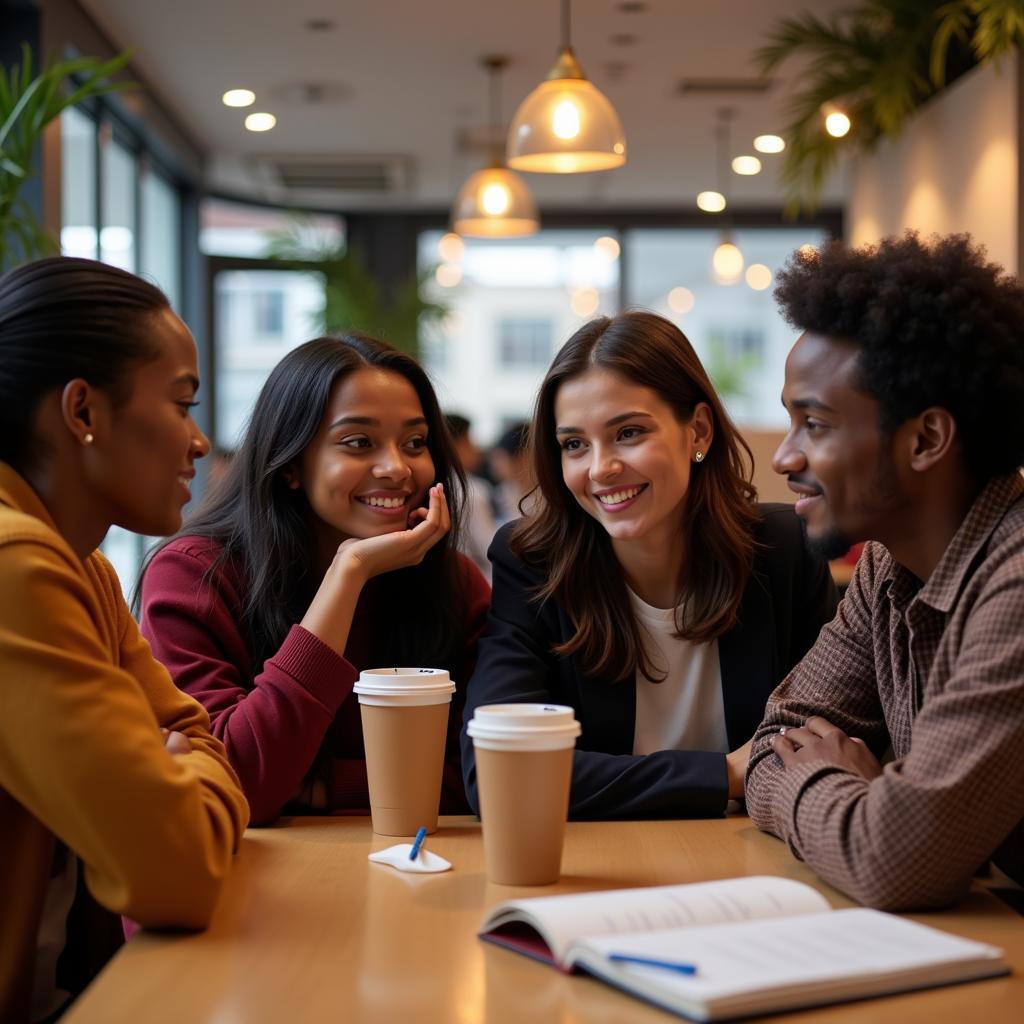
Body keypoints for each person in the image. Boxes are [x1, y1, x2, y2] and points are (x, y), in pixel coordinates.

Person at [461, 311, 837, 819]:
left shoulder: (785, 550)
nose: (600, 468)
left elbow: (825, 744)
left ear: (698, 431)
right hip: (599, 870)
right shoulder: (533, 566)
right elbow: (496, 773)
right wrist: (723, 774)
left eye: (629, 432)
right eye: (574, 444)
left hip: (756, 860)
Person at [0, 257, 248, 1023]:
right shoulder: (18, 568)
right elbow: (176, 871)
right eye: (182, 402)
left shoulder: (86, 574)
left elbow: (192, 733)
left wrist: (183, 773)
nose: (201, 441)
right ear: (83, 412)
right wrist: (186, 788)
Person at [745, 232, 1024, 910]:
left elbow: (895, 859)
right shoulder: (884, 565)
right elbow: (772, 745)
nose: (783, 458)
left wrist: (838, 798)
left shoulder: (1016, 583)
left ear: (925, 439)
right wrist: (861, 803)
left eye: (815, 424)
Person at [139, 334, 490, 826]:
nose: (396, 468)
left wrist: (324, 785)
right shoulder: (194, 575)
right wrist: (348, 575)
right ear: (292, 465)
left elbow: (491, 772)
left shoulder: (454, 583)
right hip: (256, 885)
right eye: (358, 443)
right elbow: (233, 780)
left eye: (415, 442)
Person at [446, 413, 498, 581]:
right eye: (468, 441)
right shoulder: (471, 489)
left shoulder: (429, 484)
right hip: (475, 584)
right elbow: (490, 548)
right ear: (453, 445)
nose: (475, 449)